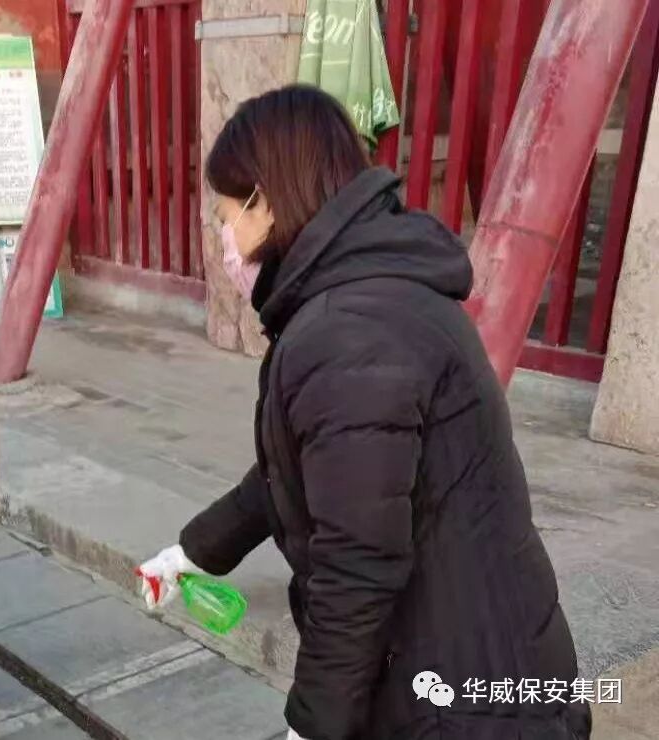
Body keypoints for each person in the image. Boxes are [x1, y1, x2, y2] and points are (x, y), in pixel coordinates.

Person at [137, 85, 589, 740]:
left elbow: (357, 566)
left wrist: (312, 727)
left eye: (225, 214)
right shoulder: (369, 297)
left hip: (468, 699)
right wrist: (191, 553)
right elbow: (299, 472)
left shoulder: (349, 331)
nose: (223, 237)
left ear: (266, 202)